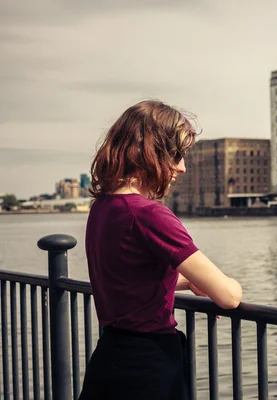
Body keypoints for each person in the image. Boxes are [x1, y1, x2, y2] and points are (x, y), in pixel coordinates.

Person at [78, 100, 243, 400]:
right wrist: (231, 284)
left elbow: (128, 279)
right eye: (176, 155)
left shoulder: (102, 208)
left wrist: (186, 282)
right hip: (148, 370)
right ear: (149, 152)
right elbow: (228, 297)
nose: (182, 167)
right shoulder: (149, 214)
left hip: (109, 359)